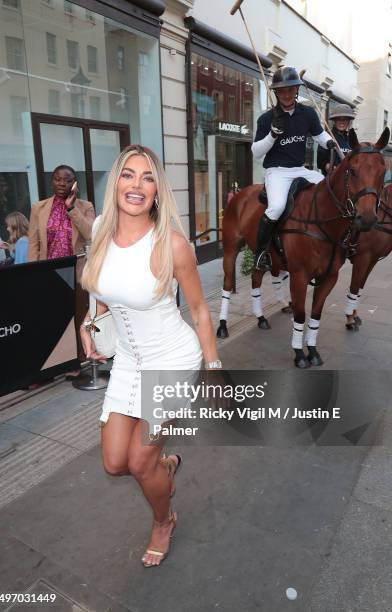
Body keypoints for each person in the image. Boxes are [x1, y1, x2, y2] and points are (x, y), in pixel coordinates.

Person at [80, 144, 221, 568]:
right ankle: (166, 466)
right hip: (127, 359)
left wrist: (214, 370)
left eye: (147, 177)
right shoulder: (101, 228)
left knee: (140, 462)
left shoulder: (172, 245)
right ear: (116, 183)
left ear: (158, 190)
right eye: (128, 174)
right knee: (113, 463)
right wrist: (93, 325)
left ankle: (164, 519)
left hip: (172, 358)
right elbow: (104, 289)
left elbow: (198, 310)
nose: (136, 185)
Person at [251, 66, 337, 271]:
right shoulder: (266, 119)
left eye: (290, 89)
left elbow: (319, 136)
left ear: (297, 90)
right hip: (277, 171)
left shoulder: (307, 113)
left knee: (329, 190)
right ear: (276, 92)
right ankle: (261, 252)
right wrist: (272, 134)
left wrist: (330, 143)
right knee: (277, 207)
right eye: (282, 90)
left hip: (300, 169)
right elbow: (256, 152)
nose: (287, 94)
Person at [28, 165, 95, 377]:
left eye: (67, 180)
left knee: (76, 318)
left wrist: (71, 208)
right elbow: (34, 243)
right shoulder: (39, 207)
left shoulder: (85, 206)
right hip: (48, 272)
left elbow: (91, 234)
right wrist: (34, 271)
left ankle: (75, 361)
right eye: (57, 179)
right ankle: (54, 363)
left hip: (76, 272)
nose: (62, 183)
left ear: (75, 184)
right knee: (52, 318)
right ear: (52, 181)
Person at [317, 103, 354, 175]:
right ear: (334, 120)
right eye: (338, 119)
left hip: (348, 180)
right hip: (331, 181)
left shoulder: (350, 139)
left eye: (345, 119)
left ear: (349, 121)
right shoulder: (326, 136)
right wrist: (331, 168)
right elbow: (320, 163)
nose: (342, 122)